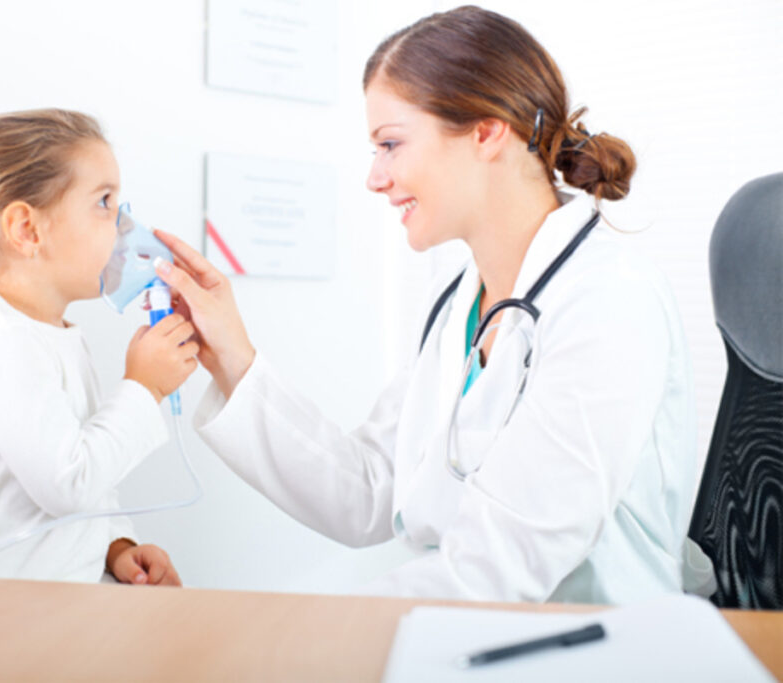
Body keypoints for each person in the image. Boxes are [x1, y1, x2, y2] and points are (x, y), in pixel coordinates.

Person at [154, 7, 709, 603]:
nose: (375, 178)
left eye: (391, 144)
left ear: (486, 133)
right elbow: (370, 488)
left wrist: (297, 632)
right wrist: (231, 358)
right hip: (478, 627)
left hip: (593, 637)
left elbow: (501, 563)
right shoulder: (459, 304)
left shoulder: (608, 300)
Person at [0, 109, 195, 585]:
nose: (124, 225)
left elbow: (83, 472)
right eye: (104, 202)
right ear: (27, 230)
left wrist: (115, 547)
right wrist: (144, 387)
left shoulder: (52, 333)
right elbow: (69, 482)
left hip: (47, 605)